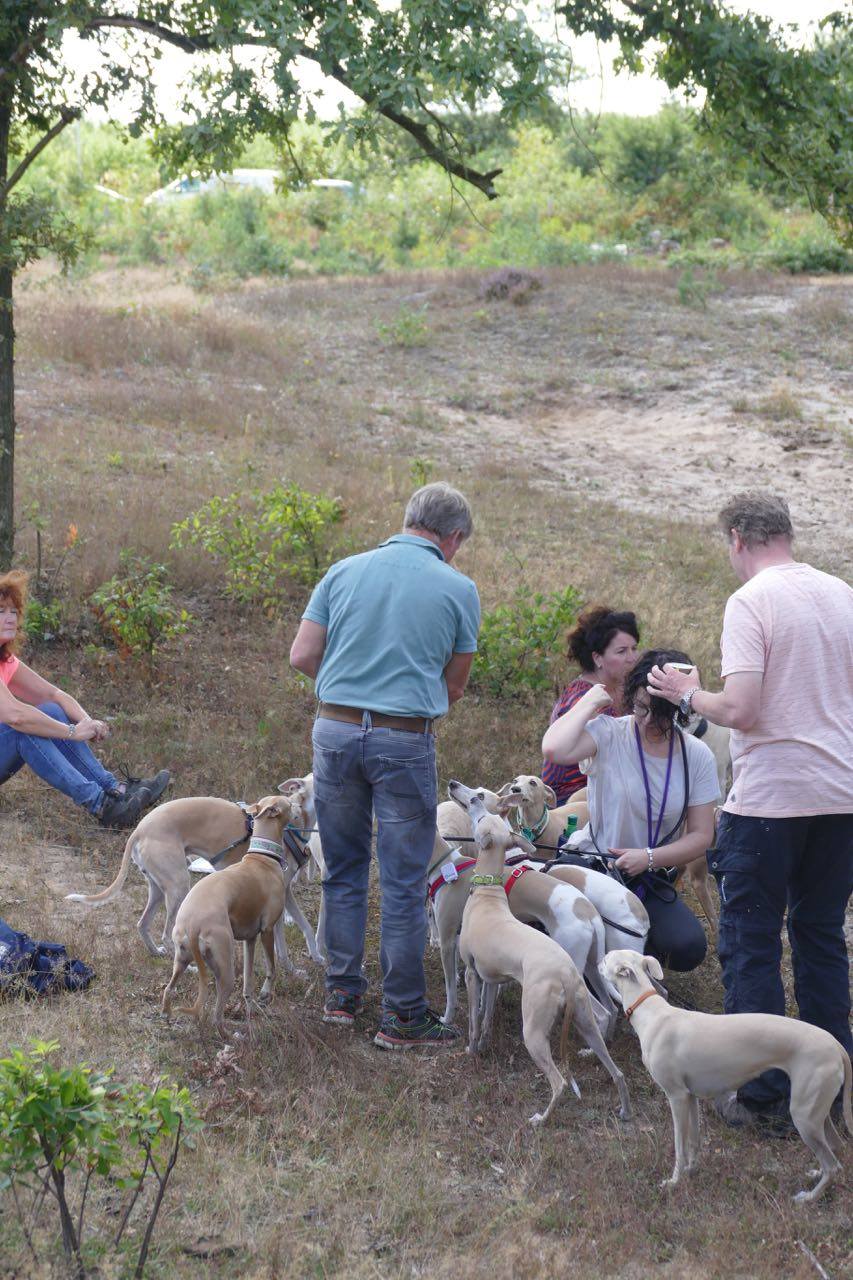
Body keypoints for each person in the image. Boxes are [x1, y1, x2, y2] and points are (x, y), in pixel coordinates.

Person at [647, 493, 853, 1128]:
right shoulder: (842, 594)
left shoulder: (751, 601)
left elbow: (741, 710)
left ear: (737, 538)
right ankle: (830, 1089)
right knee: (821, 936)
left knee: (752, 942)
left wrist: (687, 692)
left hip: (771, 802)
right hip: (841, 796)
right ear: (785, 533)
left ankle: (762, 1097)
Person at [289, 482, 480, 1049]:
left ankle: (341, 994)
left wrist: (348, 693)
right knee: (402, 879)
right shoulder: (459, 587)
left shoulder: (343, 570)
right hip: (404, 738)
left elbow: (302, 655)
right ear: (453, 537)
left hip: (334, 729)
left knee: (343, 866)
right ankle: (403, 1015)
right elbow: (455, 685)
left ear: (407, 519)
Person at [542, 648, 720, 972]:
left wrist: (648, 858)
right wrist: (588, 703)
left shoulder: (696, 756)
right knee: (564, 928)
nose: (647, 720)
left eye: (660, 713)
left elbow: (701, 836)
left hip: (647, 877)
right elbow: (554, 749)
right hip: (595, 866)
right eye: (640, 707)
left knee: (687, 947)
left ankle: (626, 945)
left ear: (679, 709)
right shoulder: (610, 733)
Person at [0, 571, 170, 829]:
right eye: (1, 611)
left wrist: (88, 722)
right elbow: (16, 716)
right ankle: (101, 805)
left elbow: (53, 694)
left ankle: (117, 791)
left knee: (51, 710)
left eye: (13, 611)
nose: (10, 618)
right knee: (24, 731)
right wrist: (72, 731)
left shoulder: (5, 660)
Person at [542, 606, 639, 804]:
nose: (632, 658)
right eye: (622, 651)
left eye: (634, 648)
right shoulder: (584, 699)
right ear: (597, 658)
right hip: (571, 799)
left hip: (613, 790)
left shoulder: (626, 687)